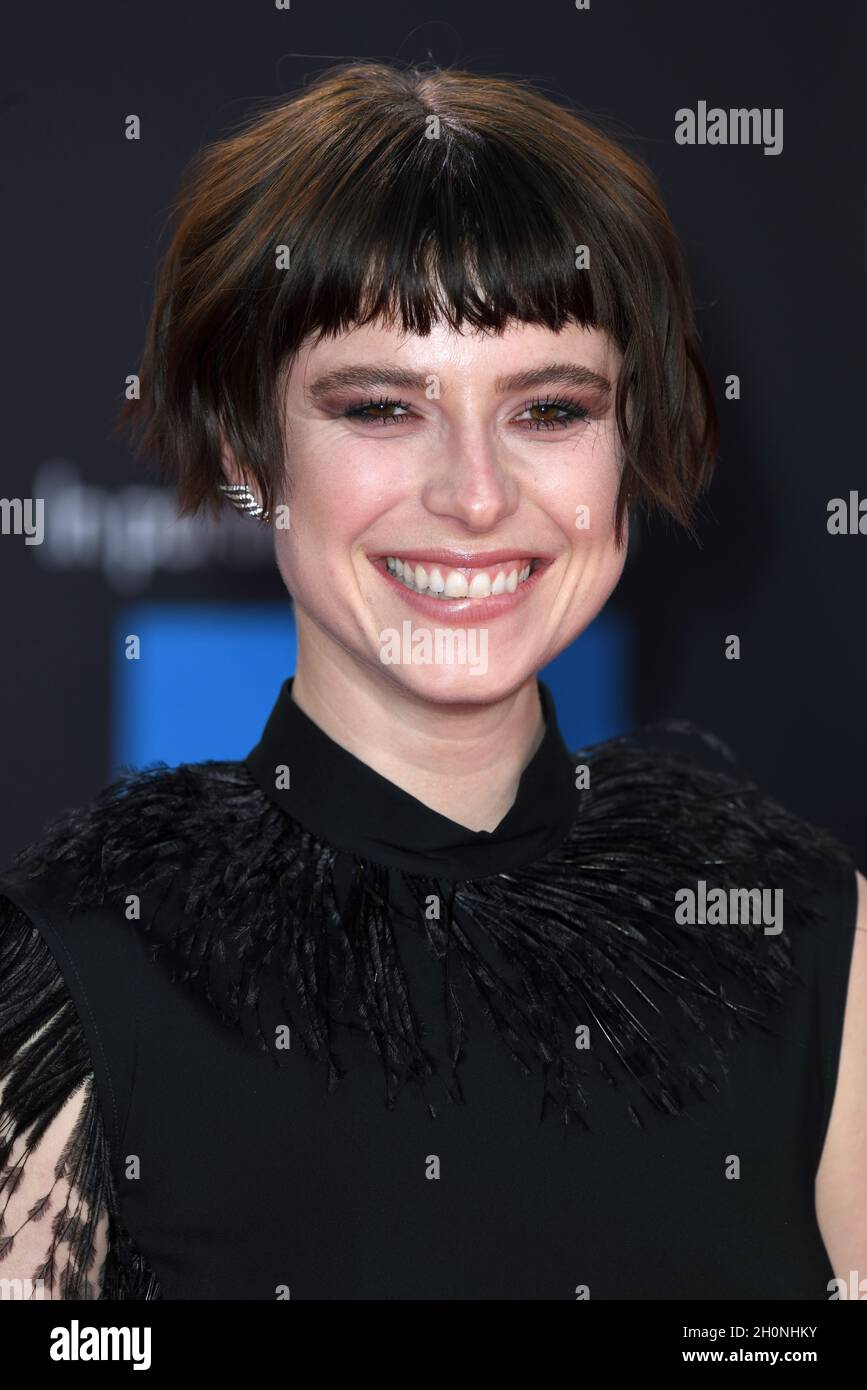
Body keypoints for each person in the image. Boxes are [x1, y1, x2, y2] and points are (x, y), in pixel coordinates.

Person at [1, 60, 864, 1301]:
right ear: (250, 449)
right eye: (382, 408)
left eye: (550, 410)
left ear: (632, 442)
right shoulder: (75, 980)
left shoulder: (811, 935)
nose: (474, 495)